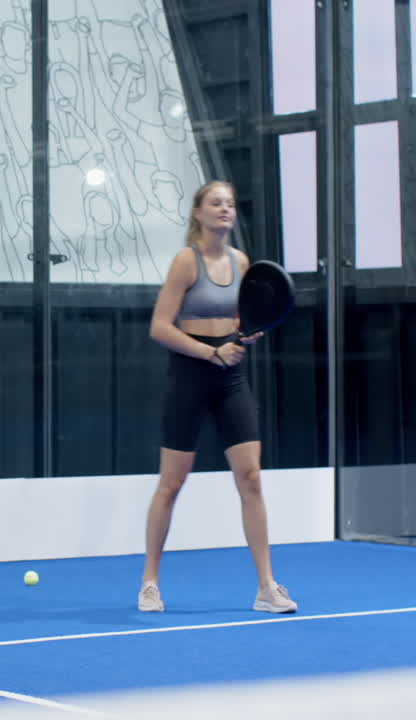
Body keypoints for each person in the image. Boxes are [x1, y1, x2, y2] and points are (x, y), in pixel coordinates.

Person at [138, 179, 296, 615]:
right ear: (199, 213)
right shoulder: (185, 263)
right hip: (190, 375)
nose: (225, 208)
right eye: (216, 202)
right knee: (171, 483)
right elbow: (160, 327)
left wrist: (249, 336)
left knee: (250, 478)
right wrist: (211, 351)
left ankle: (267, 587)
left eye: (230, 202)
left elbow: (242, 319)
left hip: (231, 377)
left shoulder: (242, 263)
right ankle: (150, 583)